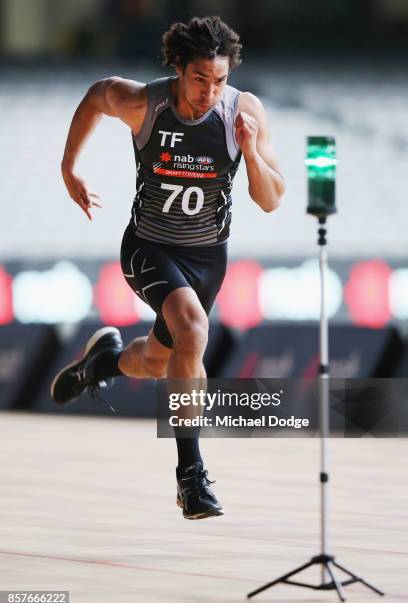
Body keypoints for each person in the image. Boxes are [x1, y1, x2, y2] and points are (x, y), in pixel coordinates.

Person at [51, 16, 285, 520]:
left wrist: (249, 152)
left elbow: (271, 200)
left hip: (207, 259)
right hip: (149, 249)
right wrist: (69, 166)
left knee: (159, 361)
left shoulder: (243, 112)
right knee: (192, 329)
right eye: (200, 79)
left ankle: (103, 362)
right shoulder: (145, 103)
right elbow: (97, 94)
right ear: (178, 68)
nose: (209, 91)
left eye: (218, 81)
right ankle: (191, 476)